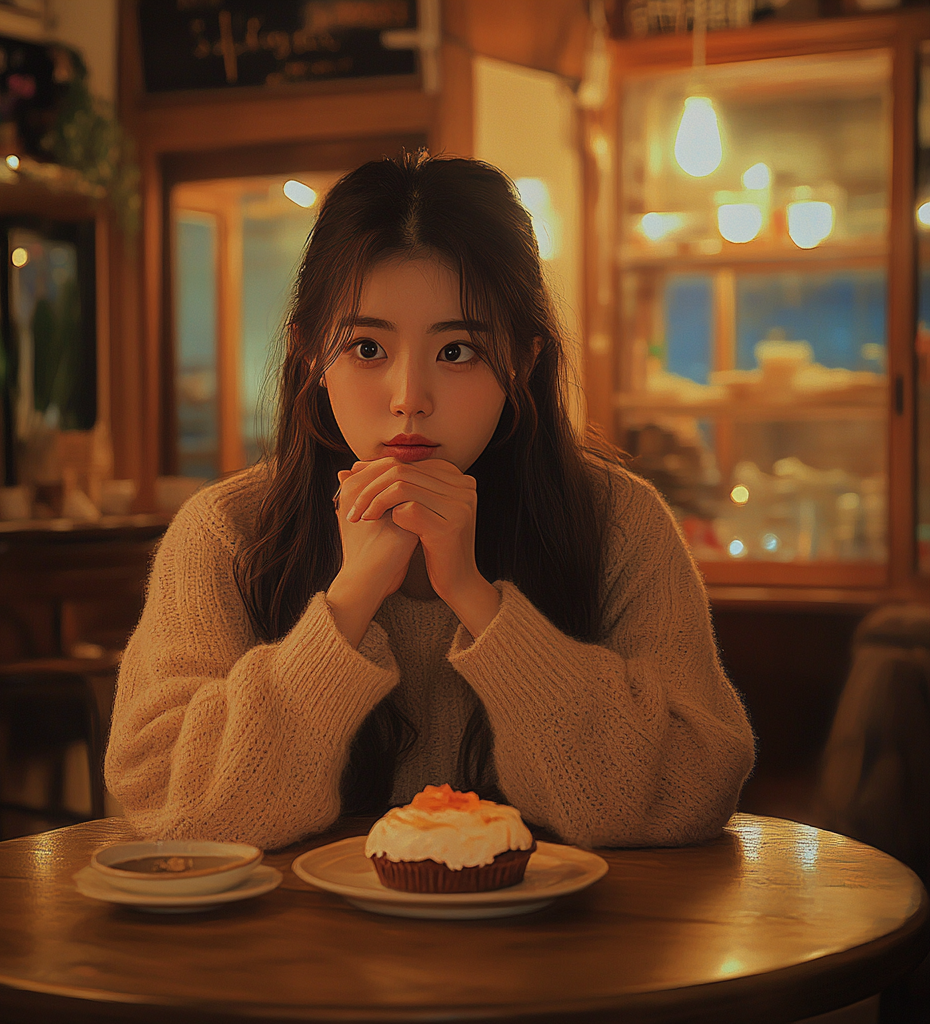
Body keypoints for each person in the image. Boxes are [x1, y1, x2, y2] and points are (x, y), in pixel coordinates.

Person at [105, 152, 754, 850]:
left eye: (456, 353)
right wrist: (351, 599)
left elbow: (692, 786)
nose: (409, 397)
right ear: (308, 358)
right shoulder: (229, 532)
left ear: (523, 362)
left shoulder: (617, 522)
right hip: (297, 950)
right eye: (365, 347)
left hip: (561, 945)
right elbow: (170, 805)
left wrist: (478, 599)